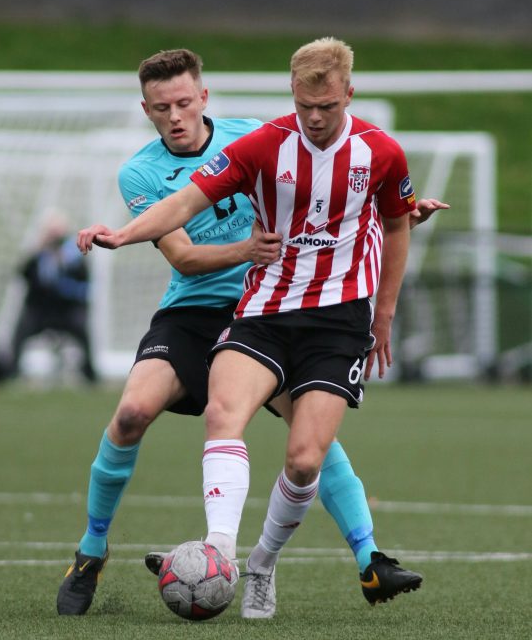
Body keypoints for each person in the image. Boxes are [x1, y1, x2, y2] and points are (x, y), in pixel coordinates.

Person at [59, 47, 446, 616]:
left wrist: (401, 214)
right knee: (132, 412)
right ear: (146, 110)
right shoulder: (142, 170)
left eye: (185, 102)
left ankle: (366, 557)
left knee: (310, 446)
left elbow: (333, 202)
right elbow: (186, 257)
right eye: (163, 107)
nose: (176, 115)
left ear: (204, 98)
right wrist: (127, 235)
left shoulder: (256, 135)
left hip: (278, 308)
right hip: (202, 311)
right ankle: (94, 551)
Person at [3, 210, 97, 383]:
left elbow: (84, 288)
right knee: (22, 327)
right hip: (41, 312)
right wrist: (39, 251)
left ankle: (90, 372)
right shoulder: (39, 257)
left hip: (67, 311)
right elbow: (22, 274)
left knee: (82, 327)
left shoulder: (75, 258)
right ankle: (11, 370)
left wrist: (63, 267)